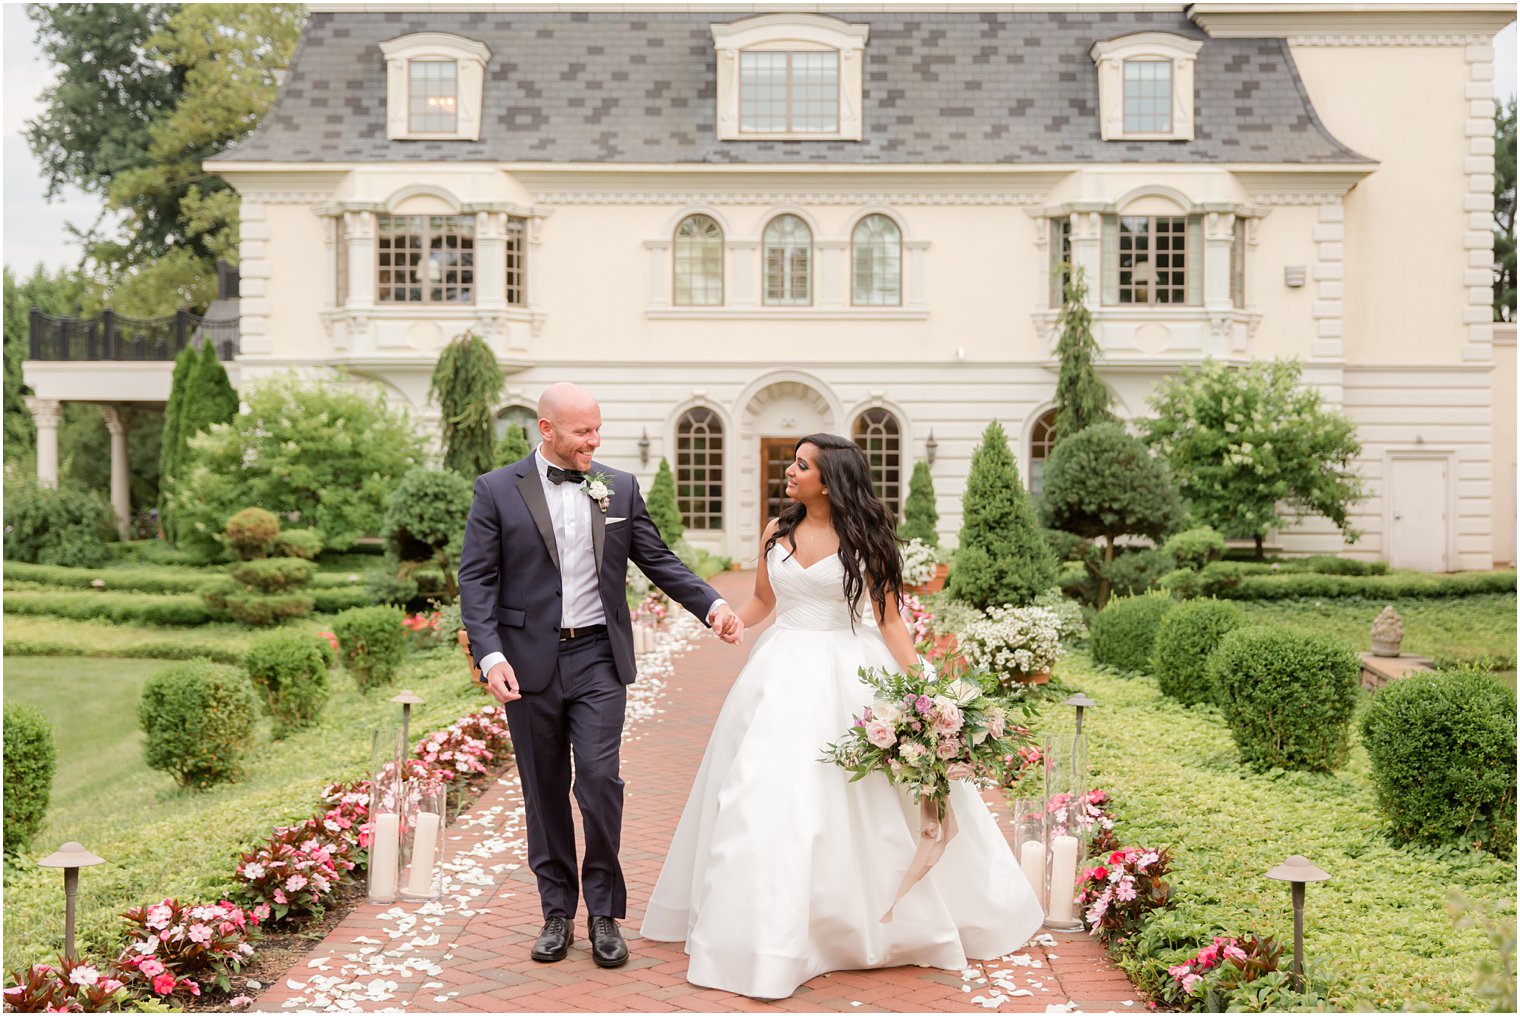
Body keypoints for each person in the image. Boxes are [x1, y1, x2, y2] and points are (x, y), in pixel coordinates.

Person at [640, 433, 1043, 999]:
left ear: (828, 481)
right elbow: (763, 601)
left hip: (849, 678)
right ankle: (763, 932)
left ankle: (856, 926)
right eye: (792, 462)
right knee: (758, 793)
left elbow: (890, 623)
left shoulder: (866, 540)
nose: (789, 471)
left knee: (863, 804)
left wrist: (926, 689)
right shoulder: (775, 532)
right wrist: (731, 618)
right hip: (777, 675)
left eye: (801, 465)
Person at [457, 382, 743, 970]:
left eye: (597, 428)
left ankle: (605, 913)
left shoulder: (617, 485)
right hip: (528, 663)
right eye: (582, 431)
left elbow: (657, 559)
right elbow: (477, 580)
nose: (594, 439)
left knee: (598, 780)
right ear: (547, 430)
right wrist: (490, 656)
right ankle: (556, 913)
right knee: (543, 790)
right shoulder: (495, 491)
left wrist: (711, 605)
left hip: (596, 659)